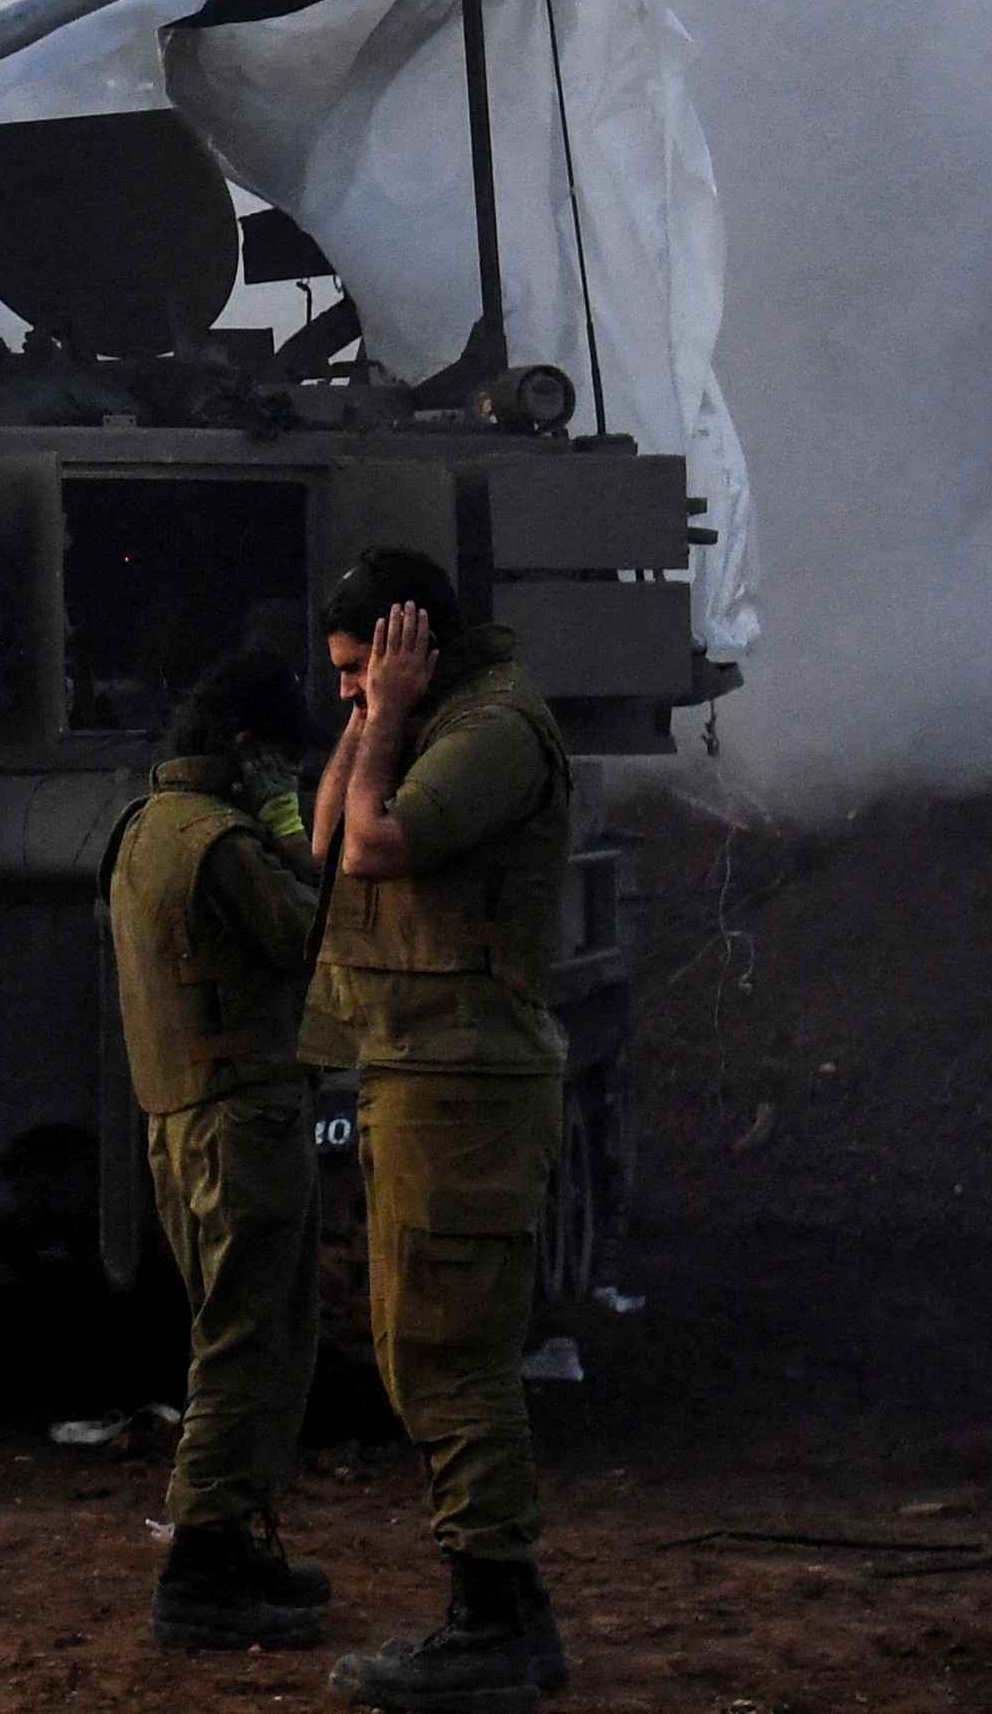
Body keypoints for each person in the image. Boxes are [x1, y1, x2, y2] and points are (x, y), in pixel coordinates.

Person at [305, 547, 580, 1709]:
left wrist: (390, 713)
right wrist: (373, 714)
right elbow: (326, 832)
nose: (346, 690)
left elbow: (373, 848)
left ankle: (501, 1624)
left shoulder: (494, 734)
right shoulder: (412, 720)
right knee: (417, 1344)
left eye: (358, 666)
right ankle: (488, 1614)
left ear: (415, 645)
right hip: (416, 1070)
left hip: (466, 1079)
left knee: (455, 1355)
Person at [105, 645, 330, 1650]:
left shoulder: (148, 825)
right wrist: (290, 827)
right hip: (245, 1124)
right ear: (248, 752)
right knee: (251, 1345)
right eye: (282, 764)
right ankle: (201, 1568)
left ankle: (235, 1545)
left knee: (238, 1335)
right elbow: (323, 940)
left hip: (184, 1123)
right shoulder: (227, 845)